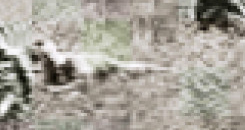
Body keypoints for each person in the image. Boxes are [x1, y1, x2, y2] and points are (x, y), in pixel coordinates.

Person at [28, 36, 172, 90]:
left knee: (126, 69)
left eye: (47, 55)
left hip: (97, 64)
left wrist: (61, 89)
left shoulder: (72, 60)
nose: (46, 59)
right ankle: (163, 70)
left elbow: (85, 80)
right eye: (42, 57)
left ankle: (164, 70)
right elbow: (48, 84)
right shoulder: (48, 66)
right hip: (89, 70)